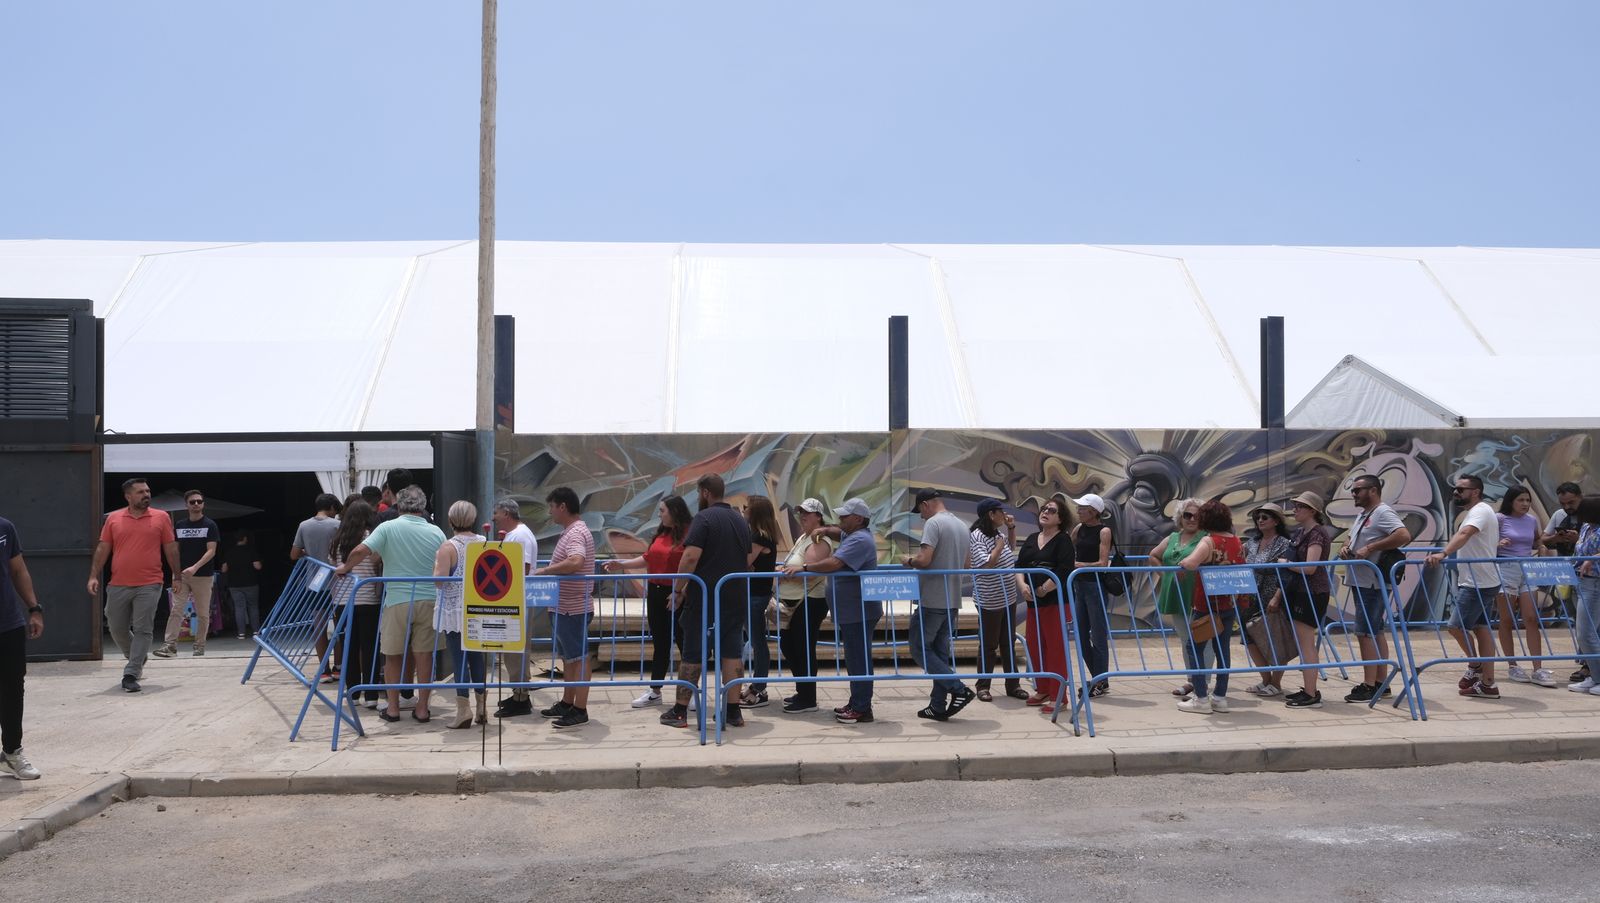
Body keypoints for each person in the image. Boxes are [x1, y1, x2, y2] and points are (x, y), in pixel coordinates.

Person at [333, 486, 445, 723]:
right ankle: (422, 708)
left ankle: (393, 708)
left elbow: (361, 550)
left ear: (399, 505)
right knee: (425, 656)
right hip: (429, 599)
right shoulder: (436, 531)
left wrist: (345, 567)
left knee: (392, 655)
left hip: (397, 600)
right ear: (423, 506)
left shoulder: (388, 527)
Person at [662, 474, 752, 729]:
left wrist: (678, 589)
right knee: (732, 653)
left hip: (706, 599)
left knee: (693, 653)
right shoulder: (740, 520)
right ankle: (733, 711)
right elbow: (747, 559)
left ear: (704, 492)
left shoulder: (704, 519)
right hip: (735, 597)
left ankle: (680, 711)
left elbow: (690, 557)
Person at [784, 497, 881, 725]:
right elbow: (838, 532)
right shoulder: (852, 535)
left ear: (858, 519)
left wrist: (804, 567)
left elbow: (834, 564)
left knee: (858, 660)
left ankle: (861, 708)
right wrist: (826, 529)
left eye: (845, 516)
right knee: (854, 658)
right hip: (852, 610)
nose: (840, 519)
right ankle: (857, 702)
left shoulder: (859, 540)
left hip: (858, 610)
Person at [87, 478, 179, 693]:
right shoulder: (114, 518)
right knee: (116, 626)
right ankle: (136, 656)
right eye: (140, 492)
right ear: (128, 496)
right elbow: (103, 548)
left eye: (147, 491)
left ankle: (131, 672)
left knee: (142, 629)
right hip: (118, 583)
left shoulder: (161, 517)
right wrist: (93, 576)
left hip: (150, 582)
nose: (146, 495)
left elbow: (171, 548)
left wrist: (177, 576)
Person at [604, 495, 691, 708]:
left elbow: (694, 565)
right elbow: (647, 558)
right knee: (660, 642)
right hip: (655, 591)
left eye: (662, 511)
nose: (659, 515)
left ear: (674, 512)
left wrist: (681, 592)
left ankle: (689, 692)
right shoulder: (662, 533)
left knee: (684, 642)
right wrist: (621, 564)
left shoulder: (690, 534)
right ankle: (655, 691)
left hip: (677, 593)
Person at [1425, 475, 1502, 700]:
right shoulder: (1479, 511)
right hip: (1481, 580)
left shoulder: (1480, 511)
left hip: (1478, 583)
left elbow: (1465, 533)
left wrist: (1443, 553)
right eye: (1455, 488)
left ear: (1476, 492)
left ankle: (1476, 665)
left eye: (1461, 489)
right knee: (1481, 629)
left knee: (1455, 626)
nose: (1456, 492)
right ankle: (1488, 684)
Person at [901, 489, 975, 721]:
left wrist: (908, 560)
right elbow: (967, 563)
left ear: (925, 505)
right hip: (952, 598)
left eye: (920, 512)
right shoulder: (962, 525)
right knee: (940, 654)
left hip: (932, 598)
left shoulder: (934, 523)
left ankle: (958, 688)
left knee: (919, 649)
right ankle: (937, 706)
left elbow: (924, 559)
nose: (921, 517)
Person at [1338, 474, 1412, 703]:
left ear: (1373, 490)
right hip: (1362, 580)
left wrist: (1371, 548)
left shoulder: (1382, 512)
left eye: (1357, 490)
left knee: (1365, 633)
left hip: (1372, 583)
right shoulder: (1364, 514)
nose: (1353, 494)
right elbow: (1351, 538)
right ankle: (1381, 683)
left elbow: (1403, 535)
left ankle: (1369, 686)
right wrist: (1346, 547)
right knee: (1375, 631)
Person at [533, 488, 598, 730]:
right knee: (569, 658)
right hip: (565, 607)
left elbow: (576, 561)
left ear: (562, 506)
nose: (550, 512)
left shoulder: (576, 533)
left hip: (572, 608)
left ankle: (580, 709)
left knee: (578, 658)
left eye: (551, 507)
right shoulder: (573, 531)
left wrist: (545, 571)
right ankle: (568, 702)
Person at [1175, 500, 1246, 715]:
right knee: (1222, 650)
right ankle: (1220, 697)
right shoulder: (1236, 541)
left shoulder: (1209, 541)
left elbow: (1191, 563)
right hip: (1228, 602)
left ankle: (1201, 698)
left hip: (1206, 604)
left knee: (1193, 647)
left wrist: (1182, 563)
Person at [1273, 491, 1334, 708]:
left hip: (1311, 592)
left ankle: (1311, 694)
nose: (1295, 509)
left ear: (1312, 511)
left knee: (1307, 642)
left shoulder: (1317, 534)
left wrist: (1284, 563)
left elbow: (1310, 568)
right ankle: (1309, 690)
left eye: (1300, 506)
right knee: (1303, 642)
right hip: (1299, 591)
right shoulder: (1301, 532)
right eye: (1295, 505)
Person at [430, 501, 488, 728]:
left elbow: (439, 580)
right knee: (477, 657)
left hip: (455, 609)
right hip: (478, 606)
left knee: (459, 659)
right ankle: (482, 706)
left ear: (451, 520)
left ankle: (464, 710)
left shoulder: (448, 547)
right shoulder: (483, 542)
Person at [1015, 497, 1075, 712]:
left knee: (1055, 648)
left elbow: (1064, 569)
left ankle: (1059, 696)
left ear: (1061, 519)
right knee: (1035, 646)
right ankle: (1043, 689)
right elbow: (1019, 566)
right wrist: (1023, 586)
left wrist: (1044, 589)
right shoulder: (1032, 538)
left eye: (1051, 510)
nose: (1045, 512)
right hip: (1033, 603)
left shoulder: (1063, 540)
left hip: (1055, 602)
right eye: (1044, 509)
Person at [775, 498, 834, 715]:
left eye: (807, 513)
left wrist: (788, 574)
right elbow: (796, 566)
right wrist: (785, 571)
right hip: (795, 600)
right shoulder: (803, 537)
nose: (802, 516)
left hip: (810, 600)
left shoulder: (820, 540)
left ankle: (808, 697)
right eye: (801, 512)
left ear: (818, 516)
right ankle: (803, 690)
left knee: (803, 648)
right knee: (788, 644)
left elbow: (810, 572)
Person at [1495, 486, 1555, 687]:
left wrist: (1542, 547)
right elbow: (1485, 542)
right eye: (1520, 500)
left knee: (1531, 618)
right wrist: (1497, 544)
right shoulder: (1499, 518)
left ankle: (1537, 668)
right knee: (1506, 619)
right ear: (1510, 501)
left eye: (1528, 500)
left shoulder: (1531, 520)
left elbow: (1537, 540)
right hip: (1506, 568)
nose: (1525, 504)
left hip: (1528, 568)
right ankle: (1512, 665)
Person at [0, 515, 44, 780]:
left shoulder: (4, 528)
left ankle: (12, 753)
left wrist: (34, 609)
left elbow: (18, 570)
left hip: (8, 623)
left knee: (12, 690)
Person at [490, 498, 541, 718]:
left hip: (518, 599)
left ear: (506, 513)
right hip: (515, 598)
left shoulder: (519, 536)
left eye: (496, 513)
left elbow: (523, 568)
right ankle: (519, 694)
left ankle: (521, 698)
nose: (494, 517)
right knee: (513, 650)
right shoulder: (516, 534)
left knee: (516, 650)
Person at [153, 489, 219, 658]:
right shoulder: (180, 525)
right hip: (182, 575)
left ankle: (199, 646)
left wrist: (195, 567)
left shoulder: (210, 525)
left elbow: (211, 551)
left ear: (203, 504)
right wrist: (175, 575)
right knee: (176, 609)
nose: (196, 504)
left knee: (203, 613)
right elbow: (174, 551)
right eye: (192, 502)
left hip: (203, 575)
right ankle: (170, 645)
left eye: (199, 501)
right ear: (186, 505)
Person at [969, 498, 1024, 702]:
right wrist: (999, 546)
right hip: (990, 600)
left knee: (1008, 642)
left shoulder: (999, 534)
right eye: (1001, 512)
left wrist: (1011, 529)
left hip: (1008, 597)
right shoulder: (977, 536)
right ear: (991, 515)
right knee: (989, 644)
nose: (1004, 515)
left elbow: (1011, 547)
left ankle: (1013, 685)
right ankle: (983, 686)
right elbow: (987, 564)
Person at [328, 501, 381, 708]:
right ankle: (371, 695)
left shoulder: (337, 540)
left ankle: (352, 692)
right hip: (369, 600)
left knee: (348, 647)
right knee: (370, 648)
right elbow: (377, 563)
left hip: (342, 601)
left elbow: (333, 565)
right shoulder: (371, 538)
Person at [1149, 498, 1204, 700]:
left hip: (1199, 596)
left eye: (1197, 515)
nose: (1192, 519)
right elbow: (1153, 556)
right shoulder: (1173, 537)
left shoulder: (1206, 538)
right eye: (1187, 515)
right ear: (1180, 517)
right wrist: (1166, 576)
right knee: (1185, 640)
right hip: (1176, 595)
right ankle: (1192, 680)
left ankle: (1203, 683)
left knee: (1202, 639)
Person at [1239, 502, 1295, 696]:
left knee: (1275, 638)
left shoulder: (1284, 543)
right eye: (1258, 517)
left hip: (1271, 595)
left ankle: (1276, 683)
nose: (1260, 520)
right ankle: (1265, 679)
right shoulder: (1251, 543)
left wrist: (1277, 597)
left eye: (1265, 517)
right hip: (1249, 595)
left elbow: (1287, 574)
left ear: (1276, 521)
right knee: (1249, 637)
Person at [291, 493, 342, 680]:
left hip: (314, 583)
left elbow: (294, 554)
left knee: (319, 627)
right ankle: (338, 667)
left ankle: (324, 670)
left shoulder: (304, 525)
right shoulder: (337, 525)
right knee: (339, 627)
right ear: (332, 508)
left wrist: (308, 553)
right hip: (337, 583)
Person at [1070, 493, 1114, 698]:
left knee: (1098, 636)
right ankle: (1099, 678)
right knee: (1080, 635)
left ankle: (1100, 681)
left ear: (1094, 511)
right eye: (1079, 507)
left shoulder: (1104, 531)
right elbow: (1068, 548)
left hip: (1095, 587)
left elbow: (1103, 563)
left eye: (1083, 508)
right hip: (1079, 586)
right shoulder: (1078, 529)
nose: (1078, 511)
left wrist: (1078, 565)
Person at [741, 495, 780, 709]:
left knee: (758, 642)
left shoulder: (759, 537)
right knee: (755, 640)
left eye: (746, 507)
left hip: (756, 595)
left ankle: (759, 687)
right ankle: (757, 685)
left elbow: (743, 562)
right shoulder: (760, 535)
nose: (743, 510)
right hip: (755, 593)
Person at [1565, 498, 1600, 695]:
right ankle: (1595, 676)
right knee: (1586, 633)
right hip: (1581, 581)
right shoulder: (1587, 527)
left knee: (1587, 633)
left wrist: (1593, 558)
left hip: (1595, 583)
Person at [221, 532, 262, 638]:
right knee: (253, 606)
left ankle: (241, 633)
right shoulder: (251, 551)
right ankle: (256, 631)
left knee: (239, 608)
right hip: (251, 583)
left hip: (234, 585)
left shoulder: (229, 552)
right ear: (244, 538)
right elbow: (257, 566)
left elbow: (224, 569)